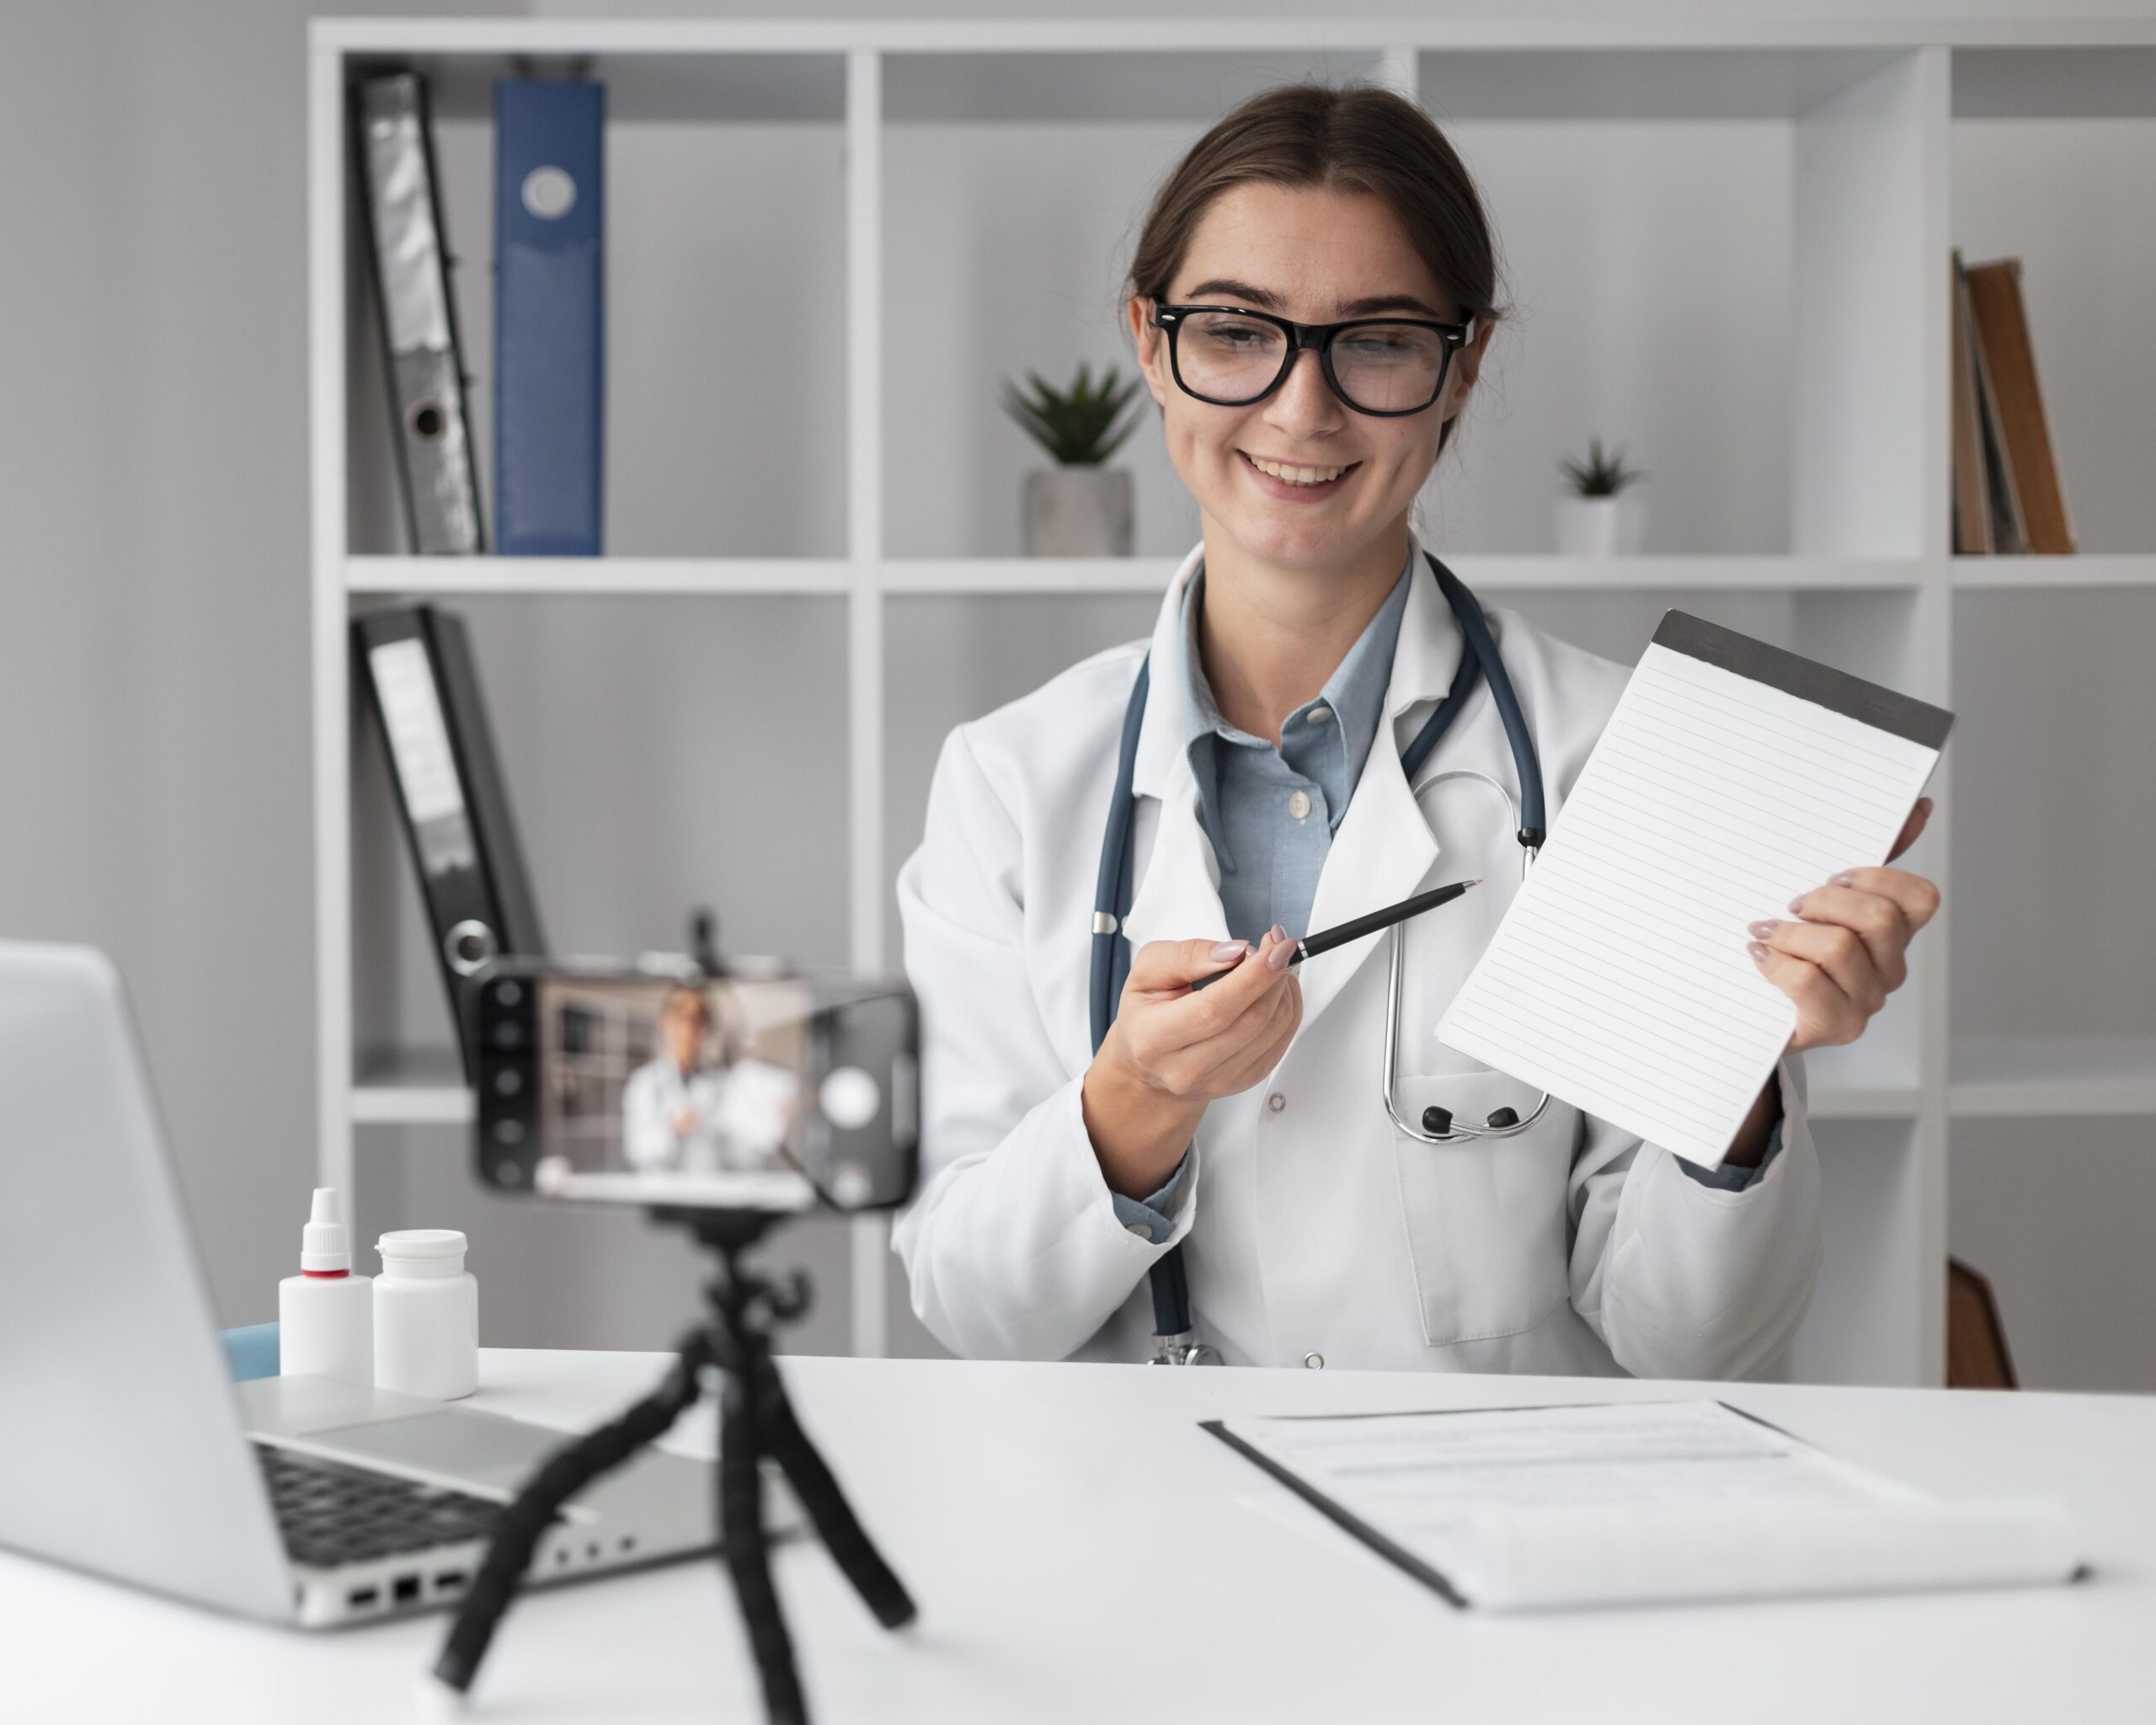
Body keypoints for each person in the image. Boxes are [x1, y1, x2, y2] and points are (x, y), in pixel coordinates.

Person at [892, 83, 1939, 1375]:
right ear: (1151, 345)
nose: (1300, 410)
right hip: (1144, 1542)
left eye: (1377, 341)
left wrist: (1737, 1077)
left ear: (1467, 362)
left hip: (1497, 1543)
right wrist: (1135, 1104)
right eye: (1236, 331)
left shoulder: (1617, 758)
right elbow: (974, 1310)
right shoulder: (1011, 784)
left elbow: (1697, 1343)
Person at [622, 985, 730, 1175]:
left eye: (697, 1020)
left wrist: (768, 1125)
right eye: (680, 1018)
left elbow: (734, 1155)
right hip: (661, 1198)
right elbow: (637, 1152)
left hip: (709, 1197)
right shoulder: (643, 1084)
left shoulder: (719, 1085)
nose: (687, 1029)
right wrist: (674, 1130)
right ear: (663, 1023)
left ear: (705, 1030)